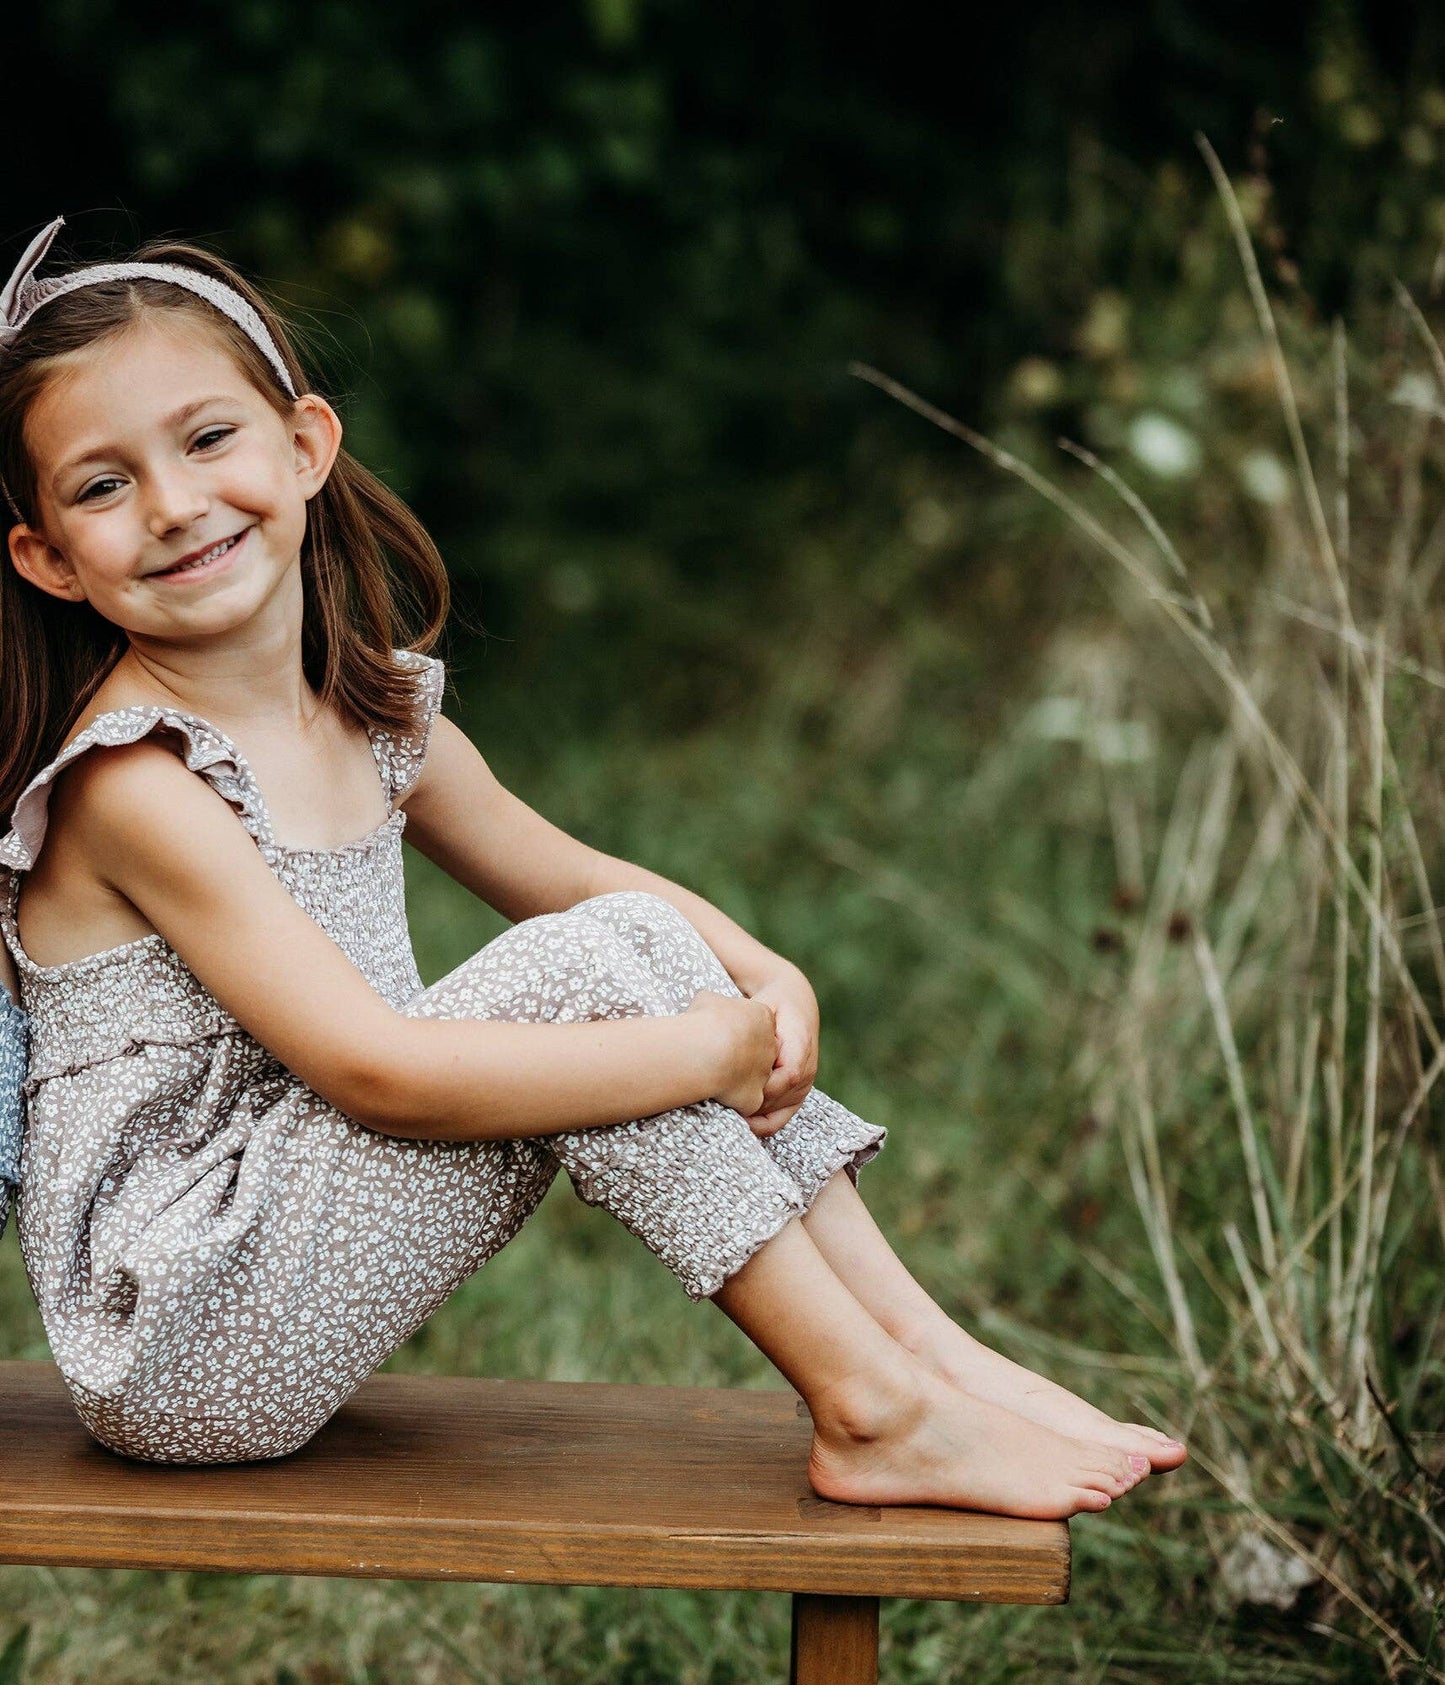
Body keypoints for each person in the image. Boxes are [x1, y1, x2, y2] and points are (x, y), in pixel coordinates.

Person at [0, 216, 1185, 1517]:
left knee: (611, 933)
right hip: (175, 1331)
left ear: (305, 446)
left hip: (282, 1275)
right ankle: (870, 1407)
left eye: (207, 437)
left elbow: (575, 876)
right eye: (102, 486)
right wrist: (707, 1050)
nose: (173, 504)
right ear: (50, 558)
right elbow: (373, 1070)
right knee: (580, 968)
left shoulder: (379, 719)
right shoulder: (134, 783)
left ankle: (926, 1357)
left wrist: (760, 967)